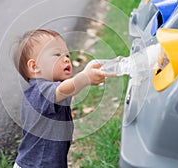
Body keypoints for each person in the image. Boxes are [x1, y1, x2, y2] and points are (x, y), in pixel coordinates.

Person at [13, 29, 114, 168]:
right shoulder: (39, 90)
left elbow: (67, 88)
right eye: (57, 54)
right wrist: (85, 78)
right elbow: (64, 89)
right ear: (34, 66)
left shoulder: (46, 90)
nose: (66, 58)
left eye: (67, 54)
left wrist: (87, 73)